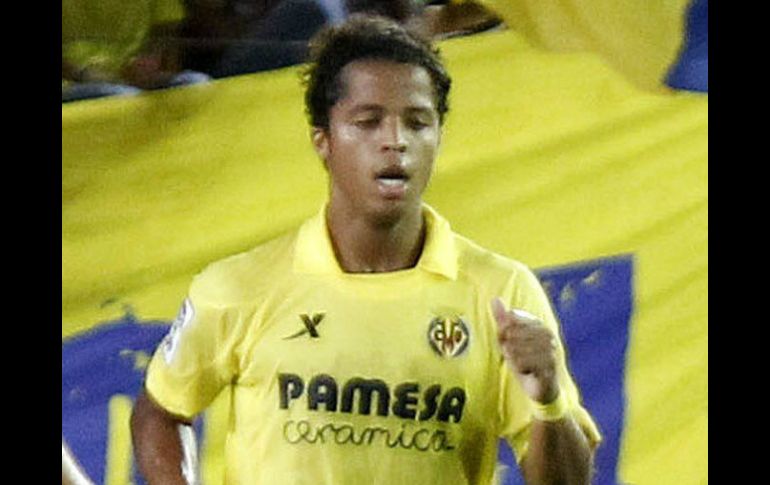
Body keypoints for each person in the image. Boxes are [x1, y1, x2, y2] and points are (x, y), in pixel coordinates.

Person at [130, 14, 601, 484]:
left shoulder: (501, 292)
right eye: (368, 122)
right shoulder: (239, 285)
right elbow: (160, 413)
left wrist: (548, 399)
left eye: (417, 123)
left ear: (439, 138)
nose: (395, 142)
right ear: (323, 141)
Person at [62, 0, 210, 102]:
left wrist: (150, 63)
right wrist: (84, 75)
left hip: (134, 79)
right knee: (125, 99)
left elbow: (165, 30)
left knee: (196, 84)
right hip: (76, 82)